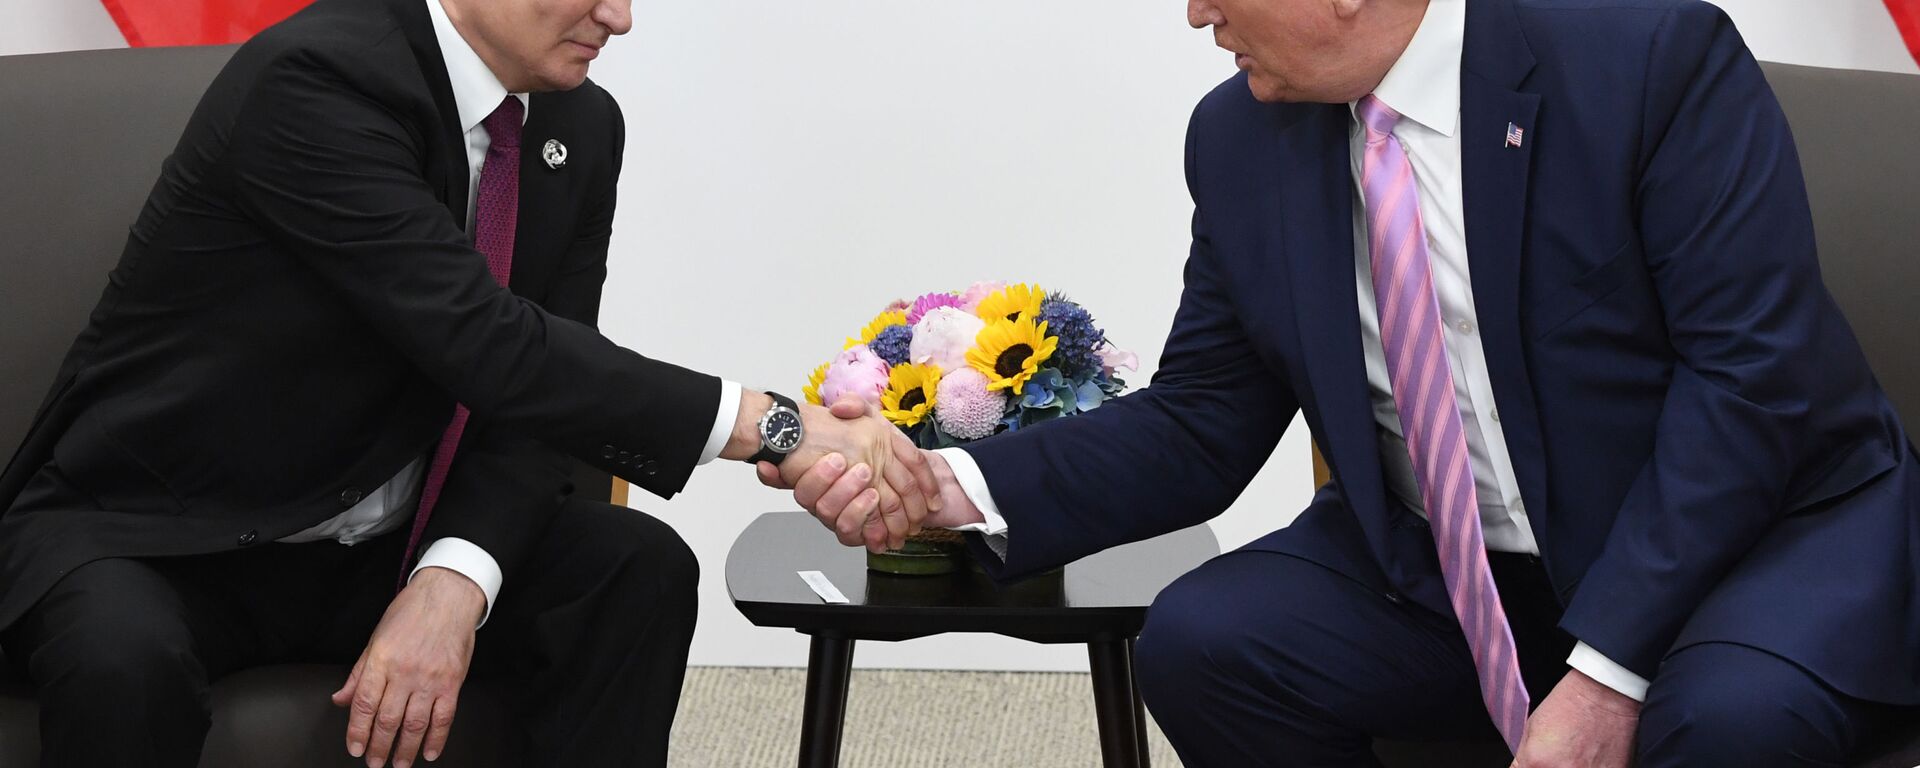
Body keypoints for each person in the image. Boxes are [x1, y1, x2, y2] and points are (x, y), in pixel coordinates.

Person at [775, 0, 1920, 764]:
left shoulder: (1646, 57)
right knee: (1209, 644)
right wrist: (948, 486)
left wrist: (1607, 670)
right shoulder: (1239, 140)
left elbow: (1748, 382)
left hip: (1749, 539)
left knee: (1720, 726)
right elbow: (1200, 423)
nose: (1195, 12)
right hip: (1467, 565)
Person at [0, 0, 935, 766]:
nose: (621, 17)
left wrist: (453, 579)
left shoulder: (581, 125)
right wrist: (777, 427)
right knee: (123, 664)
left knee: (633, 573)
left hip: (375, 540)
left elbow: (540, 399)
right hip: (166, 536)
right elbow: (491, 345)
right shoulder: (317, 81)